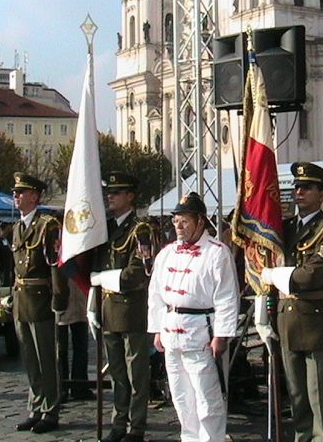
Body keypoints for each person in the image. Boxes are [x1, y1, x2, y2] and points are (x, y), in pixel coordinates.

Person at [261, 162, 323, 442]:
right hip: (287, 321)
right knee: (297, 399)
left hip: (318, 324)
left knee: (319, 398)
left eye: (306, 188)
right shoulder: (284, 230)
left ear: (321, 194)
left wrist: (274, 275)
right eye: (296, 187)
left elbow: (309, 276)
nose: (299, 192)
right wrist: (266, 312)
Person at [148, 192, 239, 442]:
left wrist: (221, 335)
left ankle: (212, 439)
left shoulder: (217, 253)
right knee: (180, 396)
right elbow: (155, 294)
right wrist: (157, 329)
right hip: (171, 331)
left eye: (185, 221)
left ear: (200, 221)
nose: (179, 226)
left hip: (200, 333)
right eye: (176, 221)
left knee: (206, 396)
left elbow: (227, 297)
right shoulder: (166, 253)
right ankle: (189, 437)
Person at [89, 172, 151, 442]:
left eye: (117, 192)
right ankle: (118, 422)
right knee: (116, 373)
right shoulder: (106, 229)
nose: (110, 196)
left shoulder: (141, 230)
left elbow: (138, 272)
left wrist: (103, 279)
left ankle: (136, 426)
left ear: (131, 197)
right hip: (108, 310)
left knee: (136, 373)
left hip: (131, 310)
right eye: (109, 192)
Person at [11, 172, 69, 434]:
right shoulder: (17, 227)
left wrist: (59, 298)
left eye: (20, 192)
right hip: (22, 299)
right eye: (15, 192)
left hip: (41, 298)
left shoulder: (48, 225)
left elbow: (56, 266)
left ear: (34, 196)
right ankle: (35, 406)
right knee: (30, 358)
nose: (16, 196)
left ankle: (50, 409)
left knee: (47, 357)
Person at [57, 273, 94, 401]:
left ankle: (79, 386)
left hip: (80, 294)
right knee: (60, 348)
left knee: (81, 346)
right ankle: (61, 386)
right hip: (60, 296)